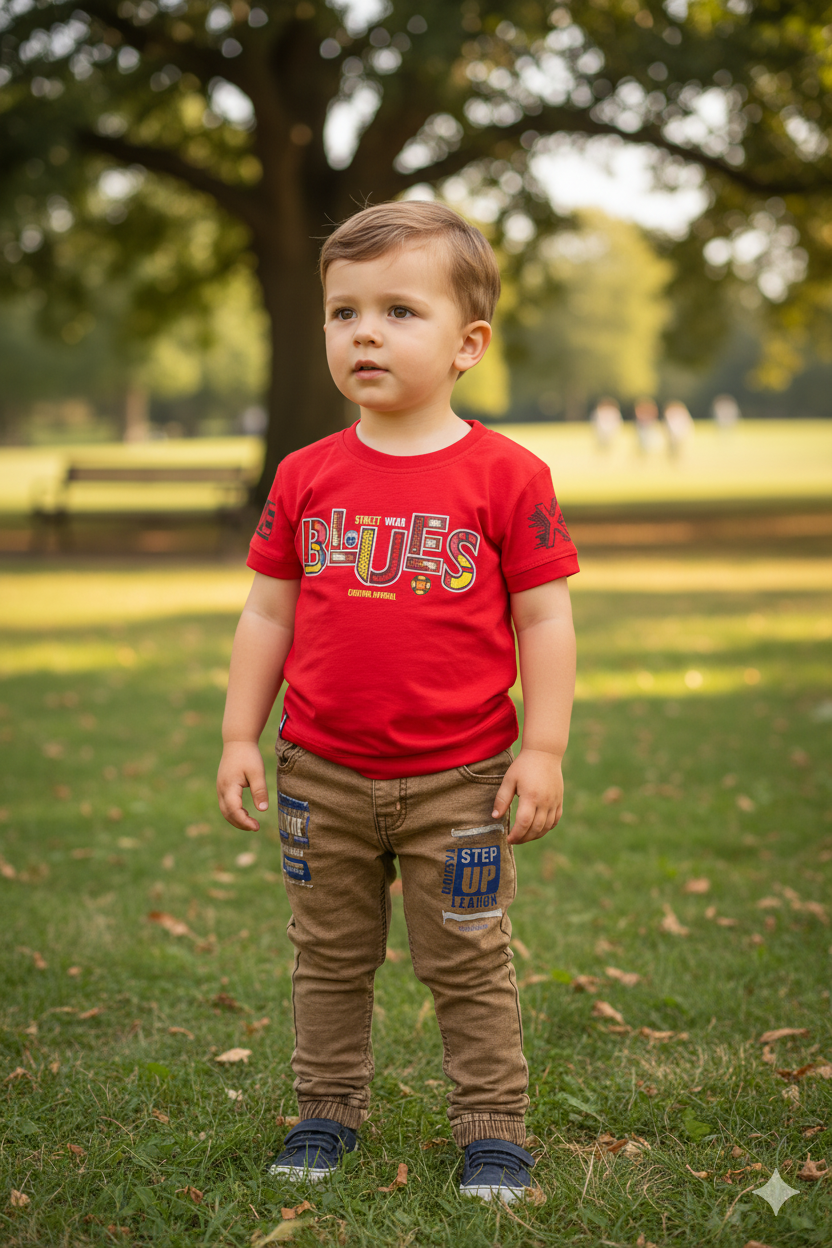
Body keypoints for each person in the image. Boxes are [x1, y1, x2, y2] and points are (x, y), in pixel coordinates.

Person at [216, 202, 578, 1204]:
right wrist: (240, 732)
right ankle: (325, 1111)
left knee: (466, 959)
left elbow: (544, 622)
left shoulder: (507, 476)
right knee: (328, 958)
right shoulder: (306, 475)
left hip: (459, 776)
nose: (363, 332)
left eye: (398, 311)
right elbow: (267, 613)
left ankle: (494, 1132)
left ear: (468, 344)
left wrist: (539, 749)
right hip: (319, 773)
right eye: (343, 312)